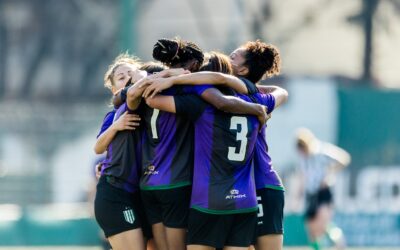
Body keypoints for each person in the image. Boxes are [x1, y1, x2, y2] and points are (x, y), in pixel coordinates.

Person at [113, 38, 269, 250]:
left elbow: (136, 100)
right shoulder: (246, 98)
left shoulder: (179, 94)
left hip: (173, 191)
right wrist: (258, 108)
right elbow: (278, 92)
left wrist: (162, 78)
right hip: (229, 196)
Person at [296, 128, 351, 250]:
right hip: (311, 194)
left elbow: (344, 158)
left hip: (323, 192)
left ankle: (340, 243)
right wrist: (297, 197)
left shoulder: (321, 151)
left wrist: (329, 174)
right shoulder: (302, 158)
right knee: (311, 227)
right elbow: (302, 177)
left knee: (322, 224)